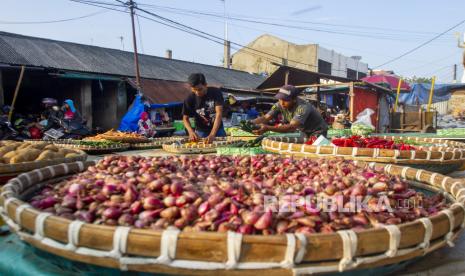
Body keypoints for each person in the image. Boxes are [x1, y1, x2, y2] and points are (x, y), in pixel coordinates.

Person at [251, 85, 328, 137]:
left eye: (285, 100)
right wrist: (250, 123)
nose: (282, 103)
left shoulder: (303, 107)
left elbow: (292, 127)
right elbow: (265, 118)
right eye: (280, 99)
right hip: (305, 131)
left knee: (314, 152)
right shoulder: (279, 105)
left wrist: (268, 128)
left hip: (318, 131)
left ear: (294, 99)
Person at [182, 73, 226, 143]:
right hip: (201, 131)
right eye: (194, 90)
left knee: (222, 150)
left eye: (200, 89)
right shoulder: (189, 98)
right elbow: (185, 118)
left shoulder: (216, 92)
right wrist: (191, 132)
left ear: (205, 85)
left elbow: (219, 114)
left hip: (218, 130)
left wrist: (212, 134)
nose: (197, 92)